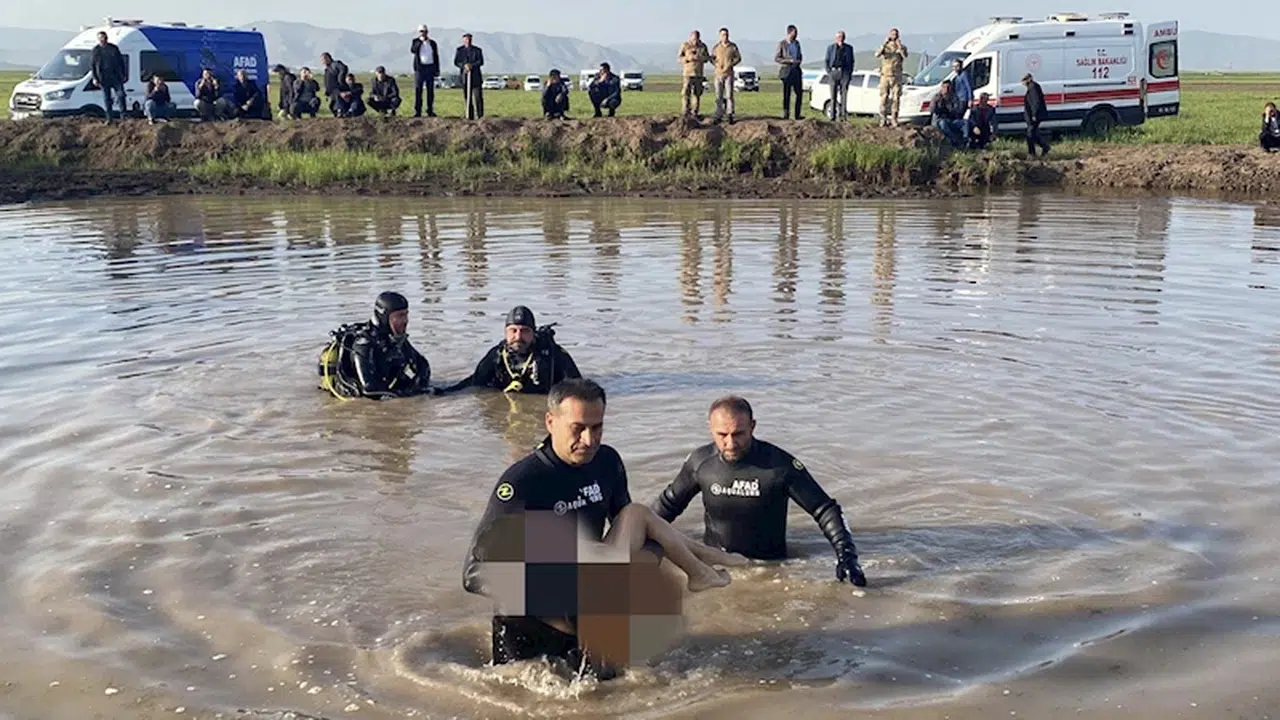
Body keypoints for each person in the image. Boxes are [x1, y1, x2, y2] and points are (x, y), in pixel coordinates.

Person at [462, 379, 744, 676]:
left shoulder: (607, 462)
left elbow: (637, 530)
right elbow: (472, 574)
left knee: (647, 539)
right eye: (578, 428)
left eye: (597, 428)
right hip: (535, 612)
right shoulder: (522, 481)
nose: (588, 439)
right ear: (550, 422)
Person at [651, 396, 868, 586]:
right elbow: (667, 506)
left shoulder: (779, 466)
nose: (730, 443)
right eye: (722, 434)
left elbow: (824, 509)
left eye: (738, 434)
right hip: (716, 563)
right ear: (710, 428)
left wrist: (847, 555)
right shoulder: (700, 463)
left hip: (771, 569)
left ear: (753, 426)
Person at [316, 291, 433, 400]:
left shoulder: (393, 338)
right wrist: (409, 396)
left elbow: (422, 365)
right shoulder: (364, 343)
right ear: (384, 317)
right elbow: (369, 390)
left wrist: (420, 386)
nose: (405, 321)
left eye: (406, 314)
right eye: (399, 316)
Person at [441, 305, 581, 395]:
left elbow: (579, 386)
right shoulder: (496, 355)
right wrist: (443, 393)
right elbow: (474, 383)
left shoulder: (553, 354)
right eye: (513, 330)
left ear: (533, 333)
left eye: (525, 331)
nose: (518, 336)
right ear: (505, 332)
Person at [90, 31, 128, 124]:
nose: (103, 39)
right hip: (103, 78)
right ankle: (109, 118)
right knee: (107, 98)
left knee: (121, 95)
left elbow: (121, 62)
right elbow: (93, 65)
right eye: (101, 38)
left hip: (116, 76)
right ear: (98, 39)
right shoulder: (96, 50)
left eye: (104, 37)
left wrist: (124, 74)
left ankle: (123, 116)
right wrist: (94, 78)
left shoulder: (113, 48)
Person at [875, 29, 909, 127]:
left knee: (896, 98)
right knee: (884, 97)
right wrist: (884, 44)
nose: (894, 36)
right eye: (892, 34)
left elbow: (905, 56)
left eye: (896, 35)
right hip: (885, 75)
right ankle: (883, 118)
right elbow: (877, 54)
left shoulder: (902, 47)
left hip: (897, 75)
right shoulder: (885, 47)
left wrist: (899, 47)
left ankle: (894, 118)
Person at [711, 27, 741, 125]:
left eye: (726, 34)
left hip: (729, 74)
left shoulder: (732, 47)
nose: (725, 36)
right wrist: (716, 64)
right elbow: (712, 58)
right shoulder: (716, 47)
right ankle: (718, 114)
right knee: (718, 95)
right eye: (723, 35)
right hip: (718, 74)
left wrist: (730, 64)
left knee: (729, 95)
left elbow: (738, 58)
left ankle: (730, 114)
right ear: (720, 36)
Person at [678, 30, 710, 119]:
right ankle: (685, 111)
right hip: (688, 73)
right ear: (691, 37)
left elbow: (707, 58)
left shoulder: (703, 46)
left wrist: (700, 58)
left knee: (697, 93)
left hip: (698, 73)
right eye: (694, 37)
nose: (695, 40)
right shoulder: (685, 45)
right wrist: (688, 58)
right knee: (686, 92)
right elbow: (679, 58)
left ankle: (695, 112)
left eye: (697, 37)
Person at [774, 24, 804, 120]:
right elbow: (777, 58)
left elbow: (800, 55)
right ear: (789, 33)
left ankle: (797, 114)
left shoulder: (797, 44)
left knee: (799, 93)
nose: (796, 35)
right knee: (787, 94)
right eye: (794, 33)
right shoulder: (782, 44)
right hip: (786, 72)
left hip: (796, 71)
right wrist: (789, 61)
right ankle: (786, 114)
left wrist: (799, 60)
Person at [410, 25, 440, 117]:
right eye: (421, 31)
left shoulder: (432, 43)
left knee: (430, 91)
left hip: (430, 68)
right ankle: (418, 111)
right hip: (420, 69)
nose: (423, 33)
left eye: (425, 31)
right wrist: (420, 41)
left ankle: (430, 110)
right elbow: (413, 50)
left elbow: (436, 56)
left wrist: (437, 69)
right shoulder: (415, 41)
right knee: (418, 90)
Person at [825, 31, 855, 121]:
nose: (840, 38)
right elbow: (826, 60)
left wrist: (849, 73)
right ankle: (832, 116)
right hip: (834, 72)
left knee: (844, 95)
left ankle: (843, 116)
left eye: (842, 37)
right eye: (838, 37)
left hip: (844, 72)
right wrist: (829, 71)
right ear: (836, 38)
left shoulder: (849, 48)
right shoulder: (831, 48)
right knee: (833, 95)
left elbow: (852, 61)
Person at [455, 33, 485, 120]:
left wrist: (472, 65)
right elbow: (457, 62)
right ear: (463, 40)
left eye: (469, 39)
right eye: (466, 39)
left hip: (476, 78)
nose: (468, 41)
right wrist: (464, 66)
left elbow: (480, 61)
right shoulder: (459, 50)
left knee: (478, 97)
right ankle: (470, 116)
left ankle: (480, 116)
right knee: (467, 98)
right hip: (465, 78)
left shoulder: (477, 50)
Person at [930, 79, 966, 148]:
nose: (946, 89)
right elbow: (932, 110)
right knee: (942, 123)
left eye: (948, 87)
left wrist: (949, 109)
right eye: (945, 87)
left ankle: (965, 141)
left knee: (965, 123)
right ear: (942, 88)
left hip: (950, 119)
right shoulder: (936, 97)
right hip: (939, 120)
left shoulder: (954, 97)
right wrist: (939, 105)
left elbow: (957, 110)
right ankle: (954, 140)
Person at [1022, 73, 1051, 157]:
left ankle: (1032, 153)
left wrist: (1034, 114)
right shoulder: (1032, 87)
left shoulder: (1033, 87)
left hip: (1034, 116)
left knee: (1030, 134)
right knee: (1034, 133)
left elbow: (1036, 102)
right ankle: (1044, 147)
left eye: (1024, 80)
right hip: (1032, 116)